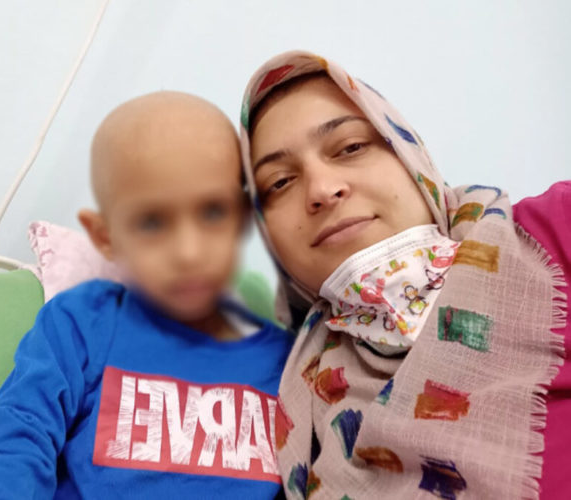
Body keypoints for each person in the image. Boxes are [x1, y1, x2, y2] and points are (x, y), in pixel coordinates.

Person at [240, 51, 570, 499]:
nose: (322, 189)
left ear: (410, 156)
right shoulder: (295, 406)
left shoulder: (555, 233)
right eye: (279, 182)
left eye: (351, 147)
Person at [0, 91, 292, 499]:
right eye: (152, 222)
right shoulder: (83, 323)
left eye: (213, 212)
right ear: (105, 237)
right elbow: (17, 444)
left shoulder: (291, 363)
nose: (189, 251)